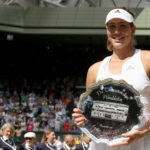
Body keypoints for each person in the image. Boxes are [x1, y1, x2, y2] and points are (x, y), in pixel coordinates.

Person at [72, 7, 150, 150]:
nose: (117, 32)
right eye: (112, 26)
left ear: (133, 29)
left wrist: (143, 132)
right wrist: (82, 118)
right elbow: (90, 114)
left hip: (141, 144)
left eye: (122, 26)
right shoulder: (95, 69)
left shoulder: (147, 59)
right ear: (107, 30)